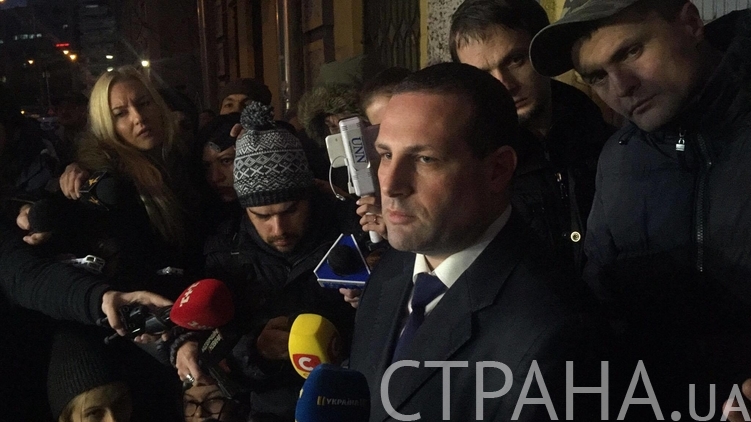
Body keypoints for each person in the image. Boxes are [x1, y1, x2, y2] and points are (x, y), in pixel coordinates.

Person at [529, 0, 751, 417]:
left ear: (690, 23)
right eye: (597, 76)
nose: (621, 86)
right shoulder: (618, 163)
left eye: (631, 51)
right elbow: (603, 309)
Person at [348, 62, 603, 421]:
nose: (390, 184)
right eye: (386, 155)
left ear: (497, 169)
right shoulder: (392, 269)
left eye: (425, 159)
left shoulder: (556, 334)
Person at [172, 101, 358, 422]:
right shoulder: (223, 252)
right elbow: (222, 365)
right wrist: (258, 352)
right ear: (244, 208)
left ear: (310, 194)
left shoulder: (354, 233)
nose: (278, 229)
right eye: (262, 216)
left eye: (290, 210)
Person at [450, 0, 614, 278]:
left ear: (542, 53)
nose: (505, 84)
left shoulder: (609, 140)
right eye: (483, 74)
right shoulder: (472, 168)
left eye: (515, 60)